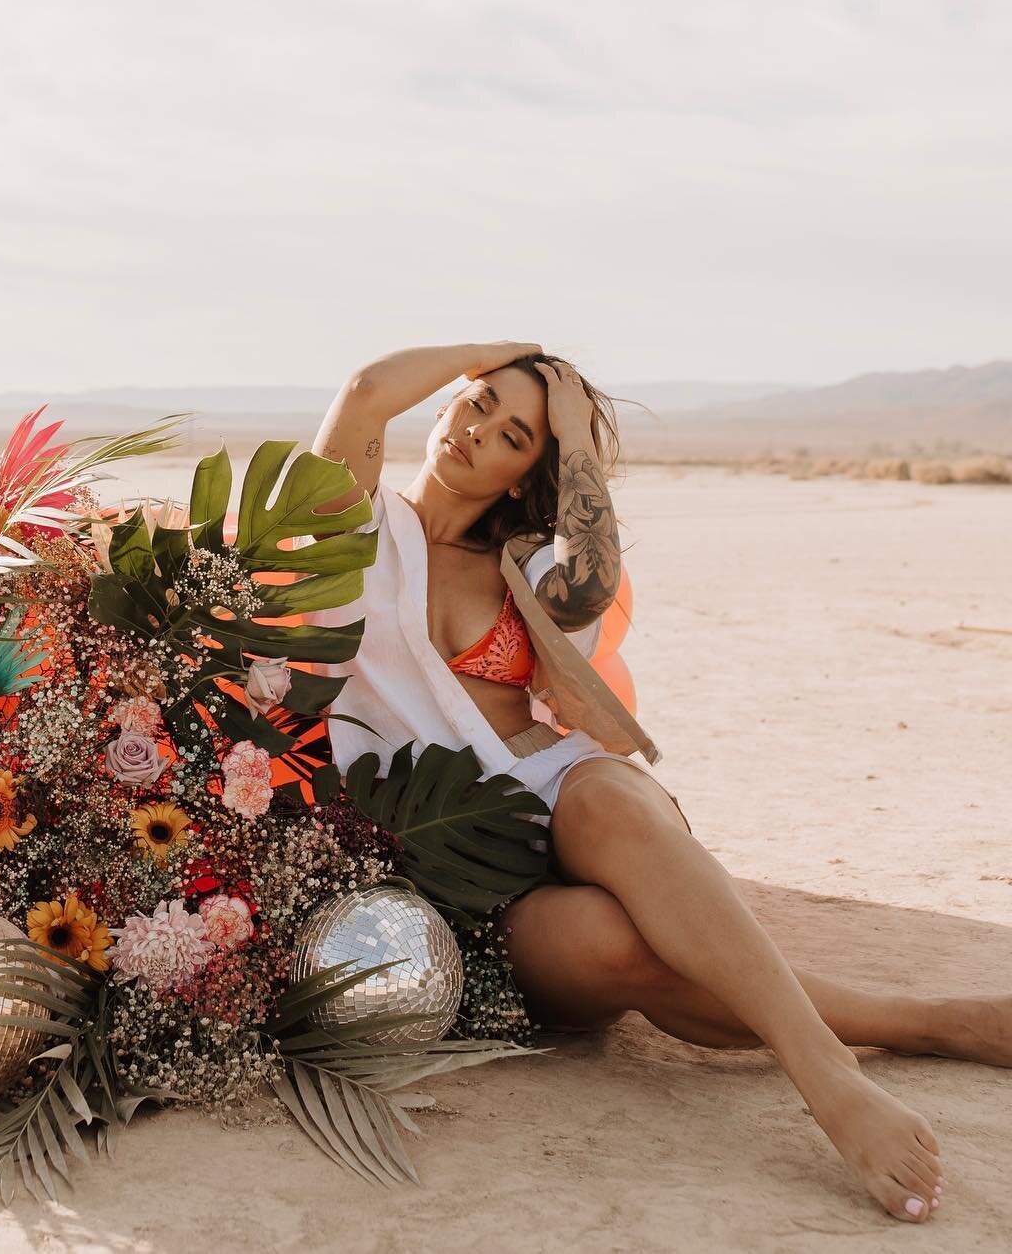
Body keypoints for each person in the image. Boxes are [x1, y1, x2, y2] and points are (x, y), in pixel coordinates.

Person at [305, 342, 1011, 1225]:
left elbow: (593, 580)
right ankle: (925, 1022)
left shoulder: (528, 564)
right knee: (622, 949)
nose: (477, 430)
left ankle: (828, 1079)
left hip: (555, 792)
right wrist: (508, 349)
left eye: (515, 434)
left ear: (533, 472)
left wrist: (577, 438)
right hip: (459, 865)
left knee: (605, 792)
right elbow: (367, 391)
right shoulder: (352, 522)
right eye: (477, 403)